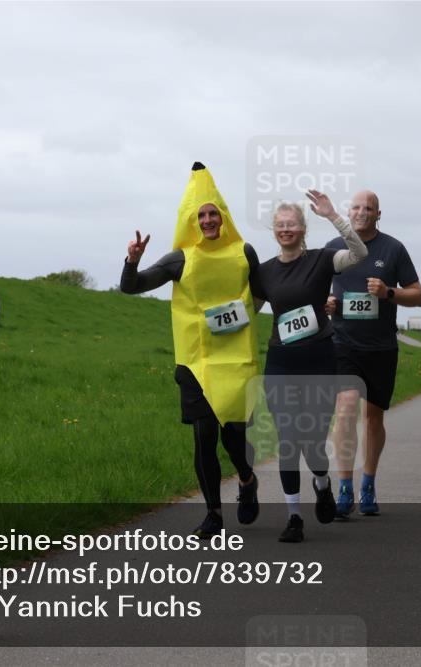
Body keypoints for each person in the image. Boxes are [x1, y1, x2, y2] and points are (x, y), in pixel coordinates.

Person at [120, 162, 260, 541]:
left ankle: (247, 480)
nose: (209, 219)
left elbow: (264, 291)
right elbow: (131, 287)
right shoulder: (180, 259)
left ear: (224, 216)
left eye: (214, 213)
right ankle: (213, 513)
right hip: (196, 362)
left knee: (233, 439)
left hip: (235, 362)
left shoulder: (244, 252)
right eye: (201, 215)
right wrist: (132, 261)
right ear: (190, 221)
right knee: (203, 437)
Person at [252, 192, 367, 542]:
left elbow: (359, 254)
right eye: (280, 225)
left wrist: (333, 216)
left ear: (303, 229)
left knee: (313, 444)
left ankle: (322, 483)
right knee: (288, 440)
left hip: (318, 360)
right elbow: (247, 313)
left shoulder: (322, 260)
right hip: (281, 363)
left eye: (292, 224)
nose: (286, 229)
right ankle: (293, 517)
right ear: (274, 231)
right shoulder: (264, 272)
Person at [325, 190, 421, 518]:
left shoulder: (393, 249)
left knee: (373, 417)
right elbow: (312, 289)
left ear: (378, 214)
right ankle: (344, 487)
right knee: (346, 406)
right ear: (348, 212)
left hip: (381, 347)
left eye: (369, 208)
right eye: (356, 207)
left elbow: (418, 296)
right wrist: (325, 304)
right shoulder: (333, 248)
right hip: (342, 343)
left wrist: (389, 292)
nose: (362, 212)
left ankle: (368, 482)